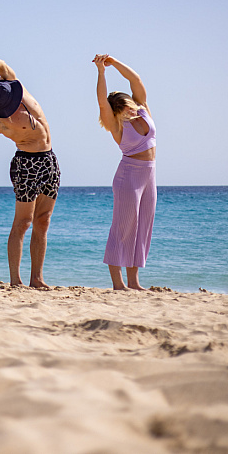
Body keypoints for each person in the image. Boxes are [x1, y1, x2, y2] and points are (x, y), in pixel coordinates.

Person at [0, 58, 59, 289]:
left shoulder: (18, 88)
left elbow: (3, 66)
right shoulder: (2, 121)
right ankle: (16, 280)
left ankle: (36, 278)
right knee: (24, 222)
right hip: (26, 164)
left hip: (50, 160)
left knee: (43, 220)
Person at [93, 54, 156, 291]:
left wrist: (114, 62)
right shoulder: (117, 125)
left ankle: (134, 282)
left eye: (130, 107)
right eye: (125, 111)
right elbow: (101, 102)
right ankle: (118, 283)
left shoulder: (143, 110)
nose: (131, 113)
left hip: (150, 175)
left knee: (142, 227)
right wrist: (101, 72)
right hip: (129, 176)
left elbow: (136, 79)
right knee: (123, 227)